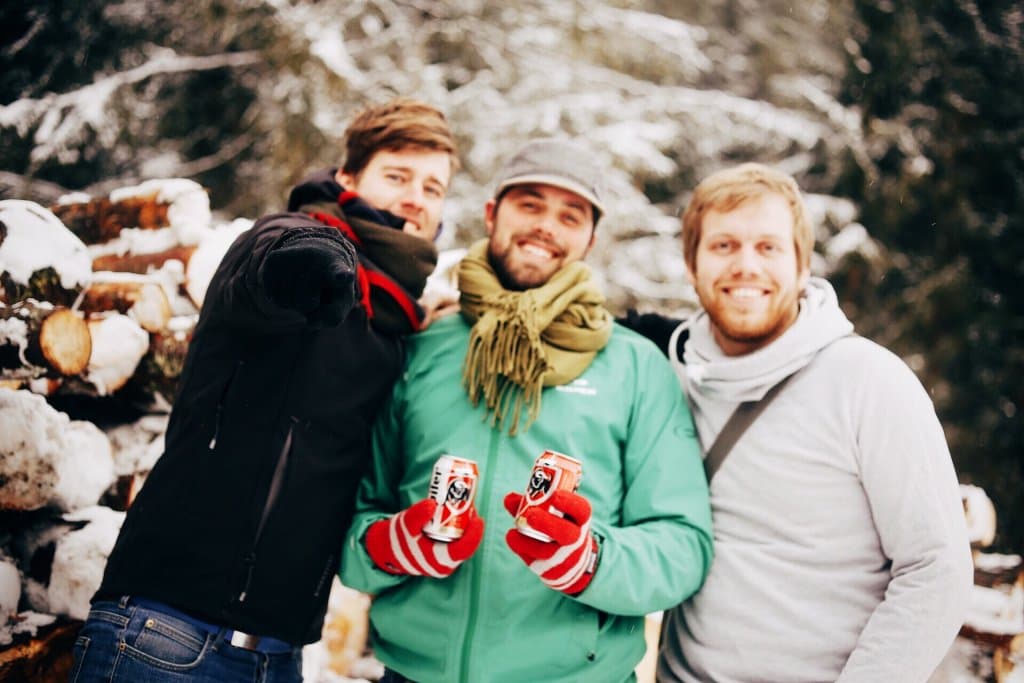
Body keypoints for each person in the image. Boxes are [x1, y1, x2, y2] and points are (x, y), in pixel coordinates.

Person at [71, 98, 459, 683]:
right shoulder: (290, 239)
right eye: (398, 177)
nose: (415, 198)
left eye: (433, 187)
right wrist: (312, 261)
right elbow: (271, 269)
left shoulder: (395, 317)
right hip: (168, 633)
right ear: (348, 177)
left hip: (276, 655)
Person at [340, 138, 714, 683]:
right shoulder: (421, 349)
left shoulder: (634, 368)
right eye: (530, 204)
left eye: (570, 215)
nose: (546, 226)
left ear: (589, 238)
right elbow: (353, 525)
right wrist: (392, 545)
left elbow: (683, 545)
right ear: (493, 214)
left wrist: (588, 560)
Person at [638, 163, 973, 682]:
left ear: (801, 265)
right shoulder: (669, 377)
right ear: (691, 264)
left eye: (768, 247)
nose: (745, 265)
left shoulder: (868, 381)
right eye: (724, 246)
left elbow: (937, 568)